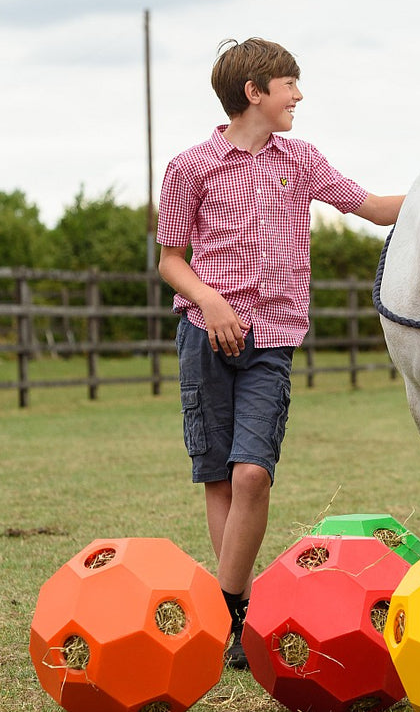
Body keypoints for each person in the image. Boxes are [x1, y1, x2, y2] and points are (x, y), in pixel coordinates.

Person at [156, 38, 404, 669]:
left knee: (252, 475)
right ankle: (235, 624)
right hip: (205, 334)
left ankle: (221, 606)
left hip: (272, 340)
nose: (299, 95)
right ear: (254, 93)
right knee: (218, 477)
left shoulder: (300, 160)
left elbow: (372, 208)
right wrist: (209, 302)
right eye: (290, 84)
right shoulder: (191, 166)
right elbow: (170, 261)